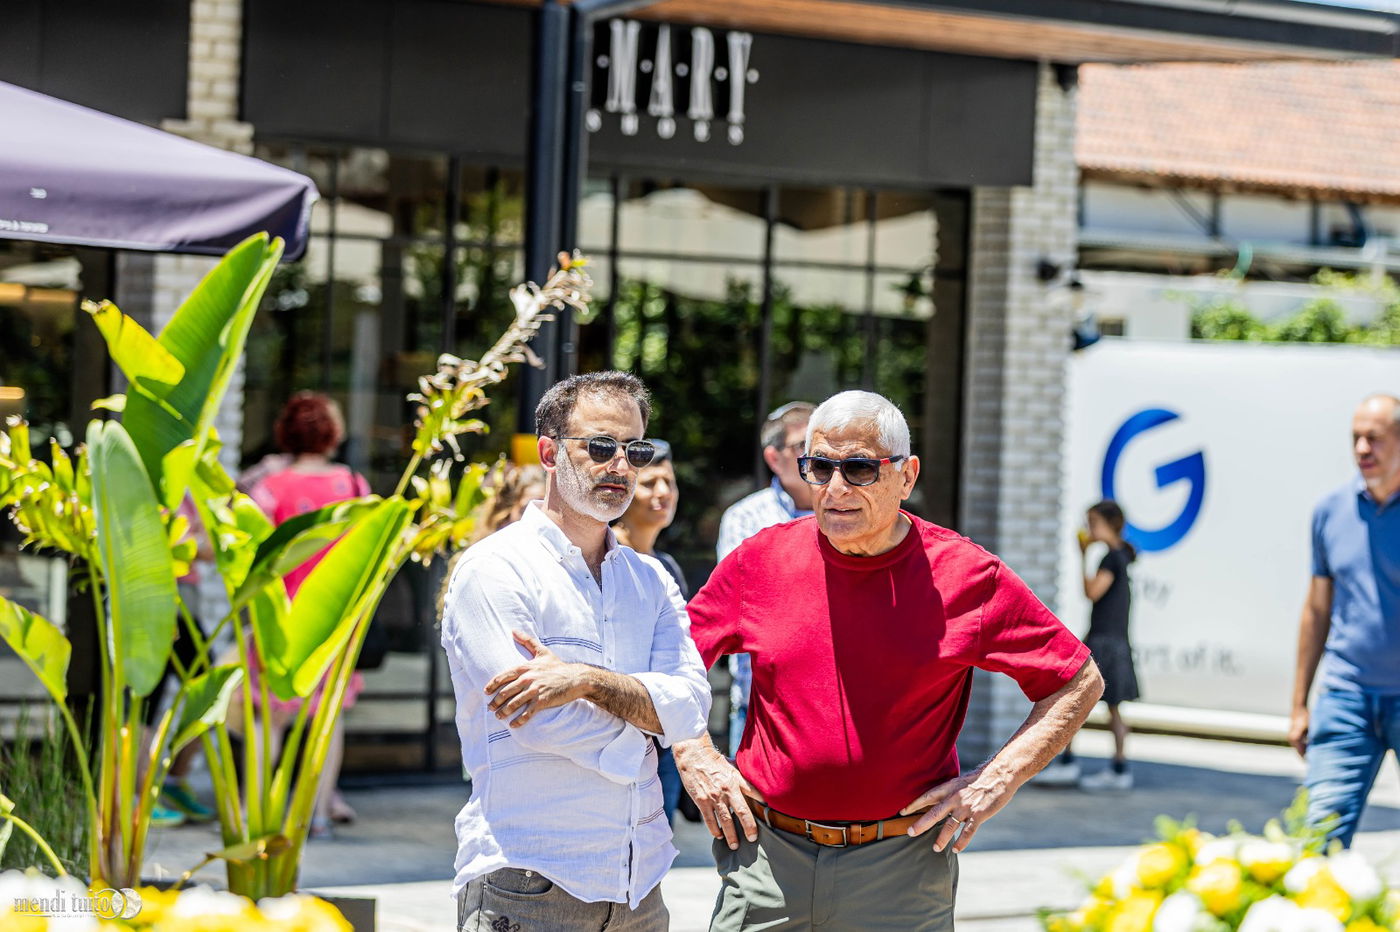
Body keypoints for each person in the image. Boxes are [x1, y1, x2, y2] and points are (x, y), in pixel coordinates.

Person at [675, 390, 1103, 931]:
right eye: (819, 467)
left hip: (901, 868)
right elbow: (674, 661)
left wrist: (997, 780)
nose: (835, 489)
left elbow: (1077, 680)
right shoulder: (760, 560)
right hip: (767, 856)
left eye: (858, 469)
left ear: (907, 475)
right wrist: (696, 755)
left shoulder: (967, 575)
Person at [439, 371, 710, 931]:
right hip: (531, 882)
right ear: (548, 451)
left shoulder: (651, 580)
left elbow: (692, 709)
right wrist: (646, 735)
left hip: (641, 887)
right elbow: (541, 724)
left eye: (634, 450)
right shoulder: (494, 570)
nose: (620, 466)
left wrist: (586, 681)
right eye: (601, 446)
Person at [245, 391, 371, 839]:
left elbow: (252, 552)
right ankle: (316, 816)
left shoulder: (269, 487)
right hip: (334, 619)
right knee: (327, 720)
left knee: (268, 719)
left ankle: (258, 817)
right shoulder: (352, 486)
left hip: (280, 616)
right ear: (332, 434)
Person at [1292, 393, 1400, 848]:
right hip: (1347, 696)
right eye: (1355, 437)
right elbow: (1317, 609)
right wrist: (1300, 703)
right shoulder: (1330, 511)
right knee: (1318, 840)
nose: (1361, 449)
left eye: (1373, 438)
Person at [715, 401, 815, 756]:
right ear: (774, 458)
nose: (816, 455)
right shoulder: (746, 517)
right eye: (804, 447)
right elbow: (743, 605)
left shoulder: (851, 510)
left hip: (838, 709)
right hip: (761, 709)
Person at [612, 439, 688, 825]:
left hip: (667, 740)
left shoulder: (668, 567)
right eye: (650, 483)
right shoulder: (610, 561)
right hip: (622, 738)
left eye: (669, 483)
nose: (662, 493)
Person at [1041, 501, 1140, 791]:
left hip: (1103, 639)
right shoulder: (1122, 555)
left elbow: (1092, 592)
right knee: (1113, 708)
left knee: (1073, 699)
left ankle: (1067, 763)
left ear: (1108, 524)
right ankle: (1120, 768)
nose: (1089, 529)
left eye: (1093, 522)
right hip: (1116, 638)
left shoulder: (1110, 558)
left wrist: (1082, 557)